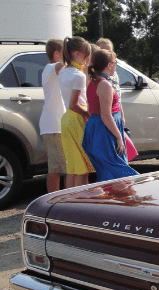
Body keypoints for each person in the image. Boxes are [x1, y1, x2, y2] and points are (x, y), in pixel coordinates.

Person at [82, 49, 138, 182]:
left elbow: (93, 110)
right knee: (119, 169)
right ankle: (137, 190)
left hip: (99, 127)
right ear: (108, 65)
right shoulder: (104, 85)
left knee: (107, 171)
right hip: (106, 130)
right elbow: (106, 115)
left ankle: (113, 194)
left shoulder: (94, 82)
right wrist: (119, 137)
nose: (115, 66)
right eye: (114, 63)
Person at [58, 36, 94, 188]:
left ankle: (70, 199)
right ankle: (82, 199)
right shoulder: (78, 75)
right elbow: (75, 104)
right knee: (83, 167)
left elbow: (70, 105)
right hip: (77, 119)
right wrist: (88, 115)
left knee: (72, 167)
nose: (87, 59)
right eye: (86, 55)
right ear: (78, 53)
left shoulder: (63, 71)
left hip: (66, 119)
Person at [96, 37, 137, 161]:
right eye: (104, 51)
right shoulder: (98, 78)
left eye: (110, 51)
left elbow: (118, 97)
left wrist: (122, 114)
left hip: (116, 114)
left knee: (121, 151)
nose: (107, 54)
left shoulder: (115, 75)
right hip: (106, 117)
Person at [39, 39, 66, 193]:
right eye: (65, 52)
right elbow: (60, 66)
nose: (67, 56)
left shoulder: (56, 71)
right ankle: (53, 199)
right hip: (54, 126)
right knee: (57, 168)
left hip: (57, 125)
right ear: (56, 53)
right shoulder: (50, 68)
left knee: (59, 167)